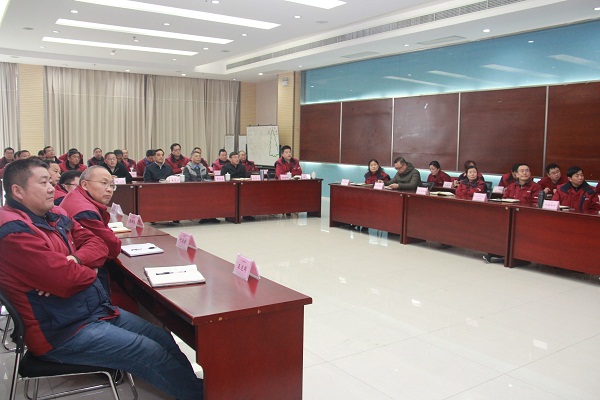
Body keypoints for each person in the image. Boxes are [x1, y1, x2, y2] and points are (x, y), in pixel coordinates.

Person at [0, 158, 204, 400]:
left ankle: (197, 387)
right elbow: (66, 279)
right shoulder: (13, 231)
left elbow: (97, 244)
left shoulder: (53, 213)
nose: (52, 188)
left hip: (91, 310)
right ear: (18, 191)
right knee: (147, 349)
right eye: (44, 183)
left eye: (51, 182)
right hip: (61, 331)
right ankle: (200, 395)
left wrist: (75, 261)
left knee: (160, 335)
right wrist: (90, 271)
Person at [60, 166, 137, 312]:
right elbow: (111, 248)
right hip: (85, 282)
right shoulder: (84, 211)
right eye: (103, 183)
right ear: (84, 184)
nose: (109, 189)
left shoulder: (78, 197)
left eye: (112, 185)